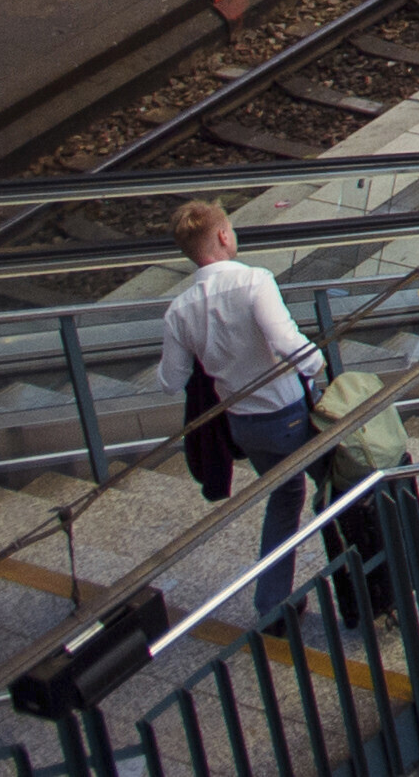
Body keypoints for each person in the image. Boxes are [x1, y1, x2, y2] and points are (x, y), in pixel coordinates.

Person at [156, 198, 331, 626]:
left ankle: (272, 605)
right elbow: (287, 342)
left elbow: (170, 380)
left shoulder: (179, 310)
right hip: (288, 413)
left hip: (243, 427)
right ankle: (361, 587)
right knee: (337, 488)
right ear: (221, 236)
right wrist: (319, 367)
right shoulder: (255, 281)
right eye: (230, 228)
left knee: (285, 495)